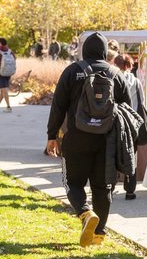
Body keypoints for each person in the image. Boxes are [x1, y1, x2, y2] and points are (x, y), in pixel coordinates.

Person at [45, 31, 133, 247]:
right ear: (105, 51)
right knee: (102, 187)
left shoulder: (73, 71)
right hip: (107, 141)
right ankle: (98, 235)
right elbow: (128, 109)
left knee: (72, 182)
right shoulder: (116, 74)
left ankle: (85, 214)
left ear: (84, 51)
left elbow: (58, 106)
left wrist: (51, 135)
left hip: (76, 137)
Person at [114, 53, 147, 199]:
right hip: (133, 123)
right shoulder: (136, 80)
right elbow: (142, 102)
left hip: (117, 122)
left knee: (113, 154)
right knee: (131, 156)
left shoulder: (113, 78)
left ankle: (111, 186)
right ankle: (130, 190)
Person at [0, 38, 16, 112]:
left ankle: (8, 107)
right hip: (8, 72)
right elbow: (15, 58)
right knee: (3, 91)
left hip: (1, 73)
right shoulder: (9, 50)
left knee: (4, 89)